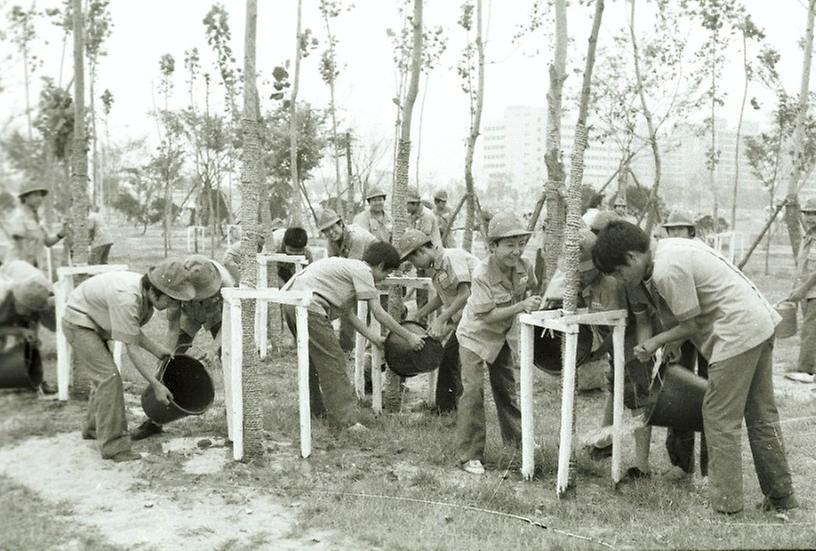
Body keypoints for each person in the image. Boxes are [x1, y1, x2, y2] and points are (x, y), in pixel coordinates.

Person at [592, 220, 797, 515]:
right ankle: (782, 497)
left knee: (718, 417)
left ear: (632, 258)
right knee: (761, 414)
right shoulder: (670, 249)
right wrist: (672, 343)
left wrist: (656, 342)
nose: (619, 279)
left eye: (618, 272)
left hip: (736, 334)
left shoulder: (665, 270)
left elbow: (693, 324)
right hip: (758, 324)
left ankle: (727, 507)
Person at [544, 229, 654, 477]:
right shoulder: (586, 283)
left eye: (582, 271)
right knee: (615, 390)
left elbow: (619, 326)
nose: (578, 277)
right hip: (613, 347)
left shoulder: (611, 284)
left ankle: (642, 464)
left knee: (637, 400)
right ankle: (605, 444)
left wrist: (594, 353)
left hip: (632, 345)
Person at [61, 259, 196, 462]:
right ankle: (114, 447)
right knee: (109, 378)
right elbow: (131, 348)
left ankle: (94, 428)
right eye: (171, 299)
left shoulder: (143, 293)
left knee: (104, 378)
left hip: (94, 321)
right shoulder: (127, 297)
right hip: (79, 323)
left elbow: (130, 329)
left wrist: (156, 349)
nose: (173, 305)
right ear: (155, 291)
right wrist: (156, 385)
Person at [281, 242, 425, 430]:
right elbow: (378, 313)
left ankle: (316, 410)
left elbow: (349, 314)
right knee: (334, 362)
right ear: (380, 266)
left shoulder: (348, 269)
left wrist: (374, 338)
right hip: (309, 305)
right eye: (385, 274)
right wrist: (409, 337)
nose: (383, 280)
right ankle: (347, 422)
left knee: (314, 361)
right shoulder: (363, 271)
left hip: (291, 301)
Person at [455, 212, 540, 475]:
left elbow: (532, 288)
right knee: (472, 393)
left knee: (506, 390)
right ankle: (470, 455)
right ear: (492, 247)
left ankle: (517, 444)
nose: (515, 251)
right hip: (474, 337)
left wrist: (533, 303)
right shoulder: (481, 273)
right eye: (508, 245)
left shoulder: (525, 266)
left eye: (519, 244)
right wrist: (521, 306)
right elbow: (487, 314)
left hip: (500, 337)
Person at [131, 255, 234, 441]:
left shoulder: (226, 283)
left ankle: (234, 413)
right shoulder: (177, 283)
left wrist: (214, 347)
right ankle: (155, 419)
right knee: (169, 361)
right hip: (189, 313)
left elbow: (230, 323)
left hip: (218, 314)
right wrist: (168, 356)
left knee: (229, 357)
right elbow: (173, 327)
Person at [397, 228, 479, 413]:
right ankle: (447, 408)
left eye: (412, 259)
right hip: (466, 318)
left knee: (452, 358)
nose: (414, 264)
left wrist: (441, 320)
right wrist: (419, 314)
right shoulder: (435, 269)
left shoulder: (451, 258)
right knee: (450, 357)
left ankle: (450, 409)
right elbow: (443, 296)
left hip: (481, 314)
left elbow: (465, 293)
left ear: (422, 251)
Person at [659, 208, 709, 482]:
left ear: (692, 232)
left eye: (681, 229)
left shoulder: (702, 255)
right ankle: (681, 462)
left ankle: (709, 471)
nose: (676, 234)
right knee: (679, 390)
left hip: (708, 330)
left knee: (711, 396)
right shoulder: (668, 260)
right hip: (682, 330)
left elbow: (702, 312)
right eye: (672, 229)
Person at [319, 208, 378, 352]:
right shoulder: (332, 241)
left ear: (341, 224)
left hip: (375, 268)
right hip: (358, 270)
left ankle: (362, 346)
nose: (331, 233)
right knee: (344, 304)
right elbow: (333, 265)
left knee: (370, 309)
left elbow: (351, 269)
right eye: (326, 231)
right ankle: (347, 347)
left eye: (333, 228)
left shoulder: (356, 237)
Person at [0, 259, 58, 394]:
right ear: (18, 300)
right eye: (29, 309)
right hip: (11, 270)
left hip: (27, 280)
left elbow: (50, 326)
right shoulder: (2, 296)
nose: (30, 313)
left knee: (29, 337)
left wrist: (30, 335)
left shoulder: (39, 292)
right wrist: (19, 330)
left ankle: (32, 381)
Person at [4, 182, 66, 268]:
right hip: (18, 267)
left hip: (34, 266)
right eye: (36, 195)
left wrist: (61, 234)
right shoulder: (19, 216)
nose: (40, 198)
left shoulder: (36, 219)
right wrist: (25, 269)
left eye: (41, 196)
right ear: (25, 197)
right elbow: (20, 246)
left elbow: (47, 242)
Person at [787, 197, 816, 376]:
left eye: (814, 214)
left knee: (809, 330)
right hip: (808, 292)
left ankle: (805, 370)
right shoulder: (808, 236)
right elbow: (802, 267)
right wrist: (795, 288)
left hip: (813, 292)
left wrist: (802, 290)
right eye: (807, 214)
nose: (810, 218)